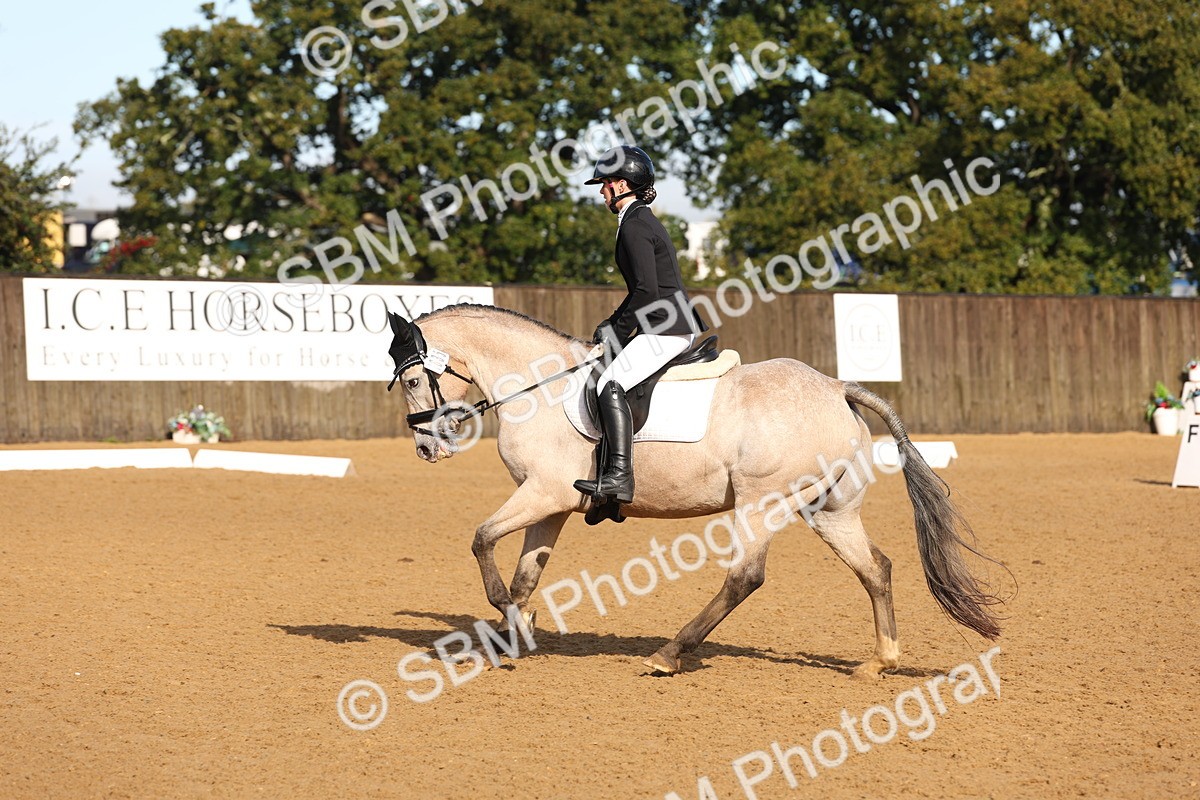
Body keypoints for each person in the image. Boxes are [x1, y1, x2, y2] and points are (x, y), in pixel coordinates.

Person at [572, 145, 707, 506]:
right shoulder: (639, 220)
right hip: (665, 322)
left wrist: (617, 328)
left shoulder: (634, 226)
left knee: (608, 382)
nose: (601, 191)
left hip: (667, 327)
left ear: (621, 185)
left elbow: (646, 289)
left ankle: (618, 478)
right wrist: (615, 322)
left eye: (604, 184)